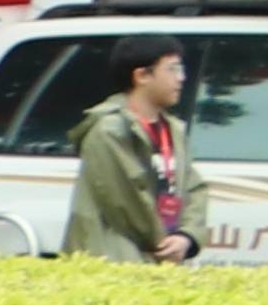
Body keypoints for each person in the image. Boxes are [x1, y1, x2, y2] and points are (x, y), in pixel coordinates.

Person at [61, 42, 200, 262]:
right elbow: (126, 204)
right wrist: (165, 244)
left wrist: (186, 236)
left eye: (181, 69)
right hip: (115, 258)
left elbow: (193, 187)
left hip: (157, 257)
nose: (181, 78)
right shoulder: (108, 130)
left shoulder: (173, 129)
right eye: (172, 69)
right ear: (142, 76)